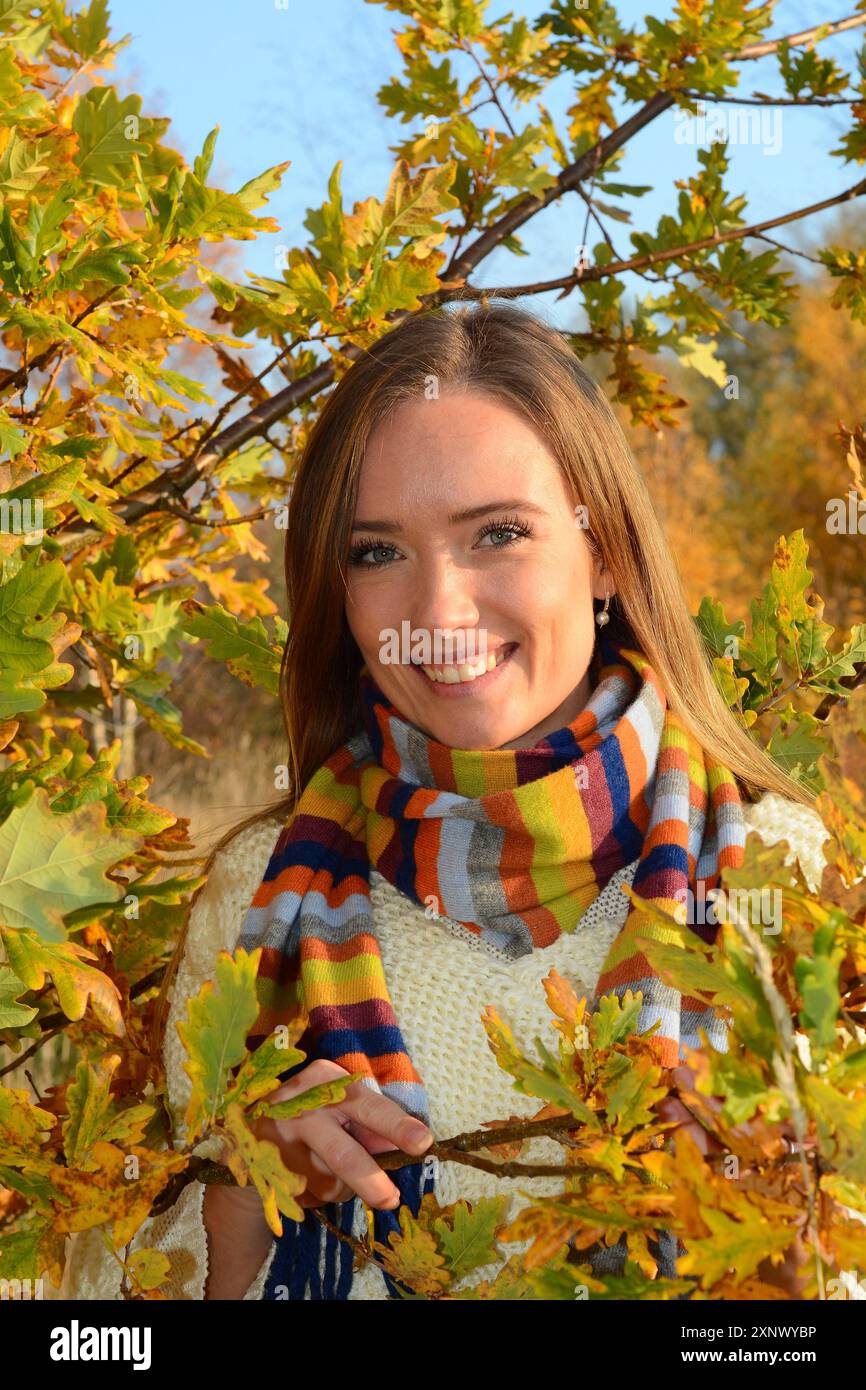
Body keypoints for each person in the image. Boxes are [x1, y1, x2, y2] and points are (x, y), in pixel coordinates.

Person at [58, 302, 829, 1302]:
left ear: (603, 554)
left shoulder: (785, 875)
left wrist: (769, 1233)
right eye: (377, 550)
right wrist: (246, 1193)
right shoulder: (257, 900)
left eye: (496, 534)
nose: (437, 613)